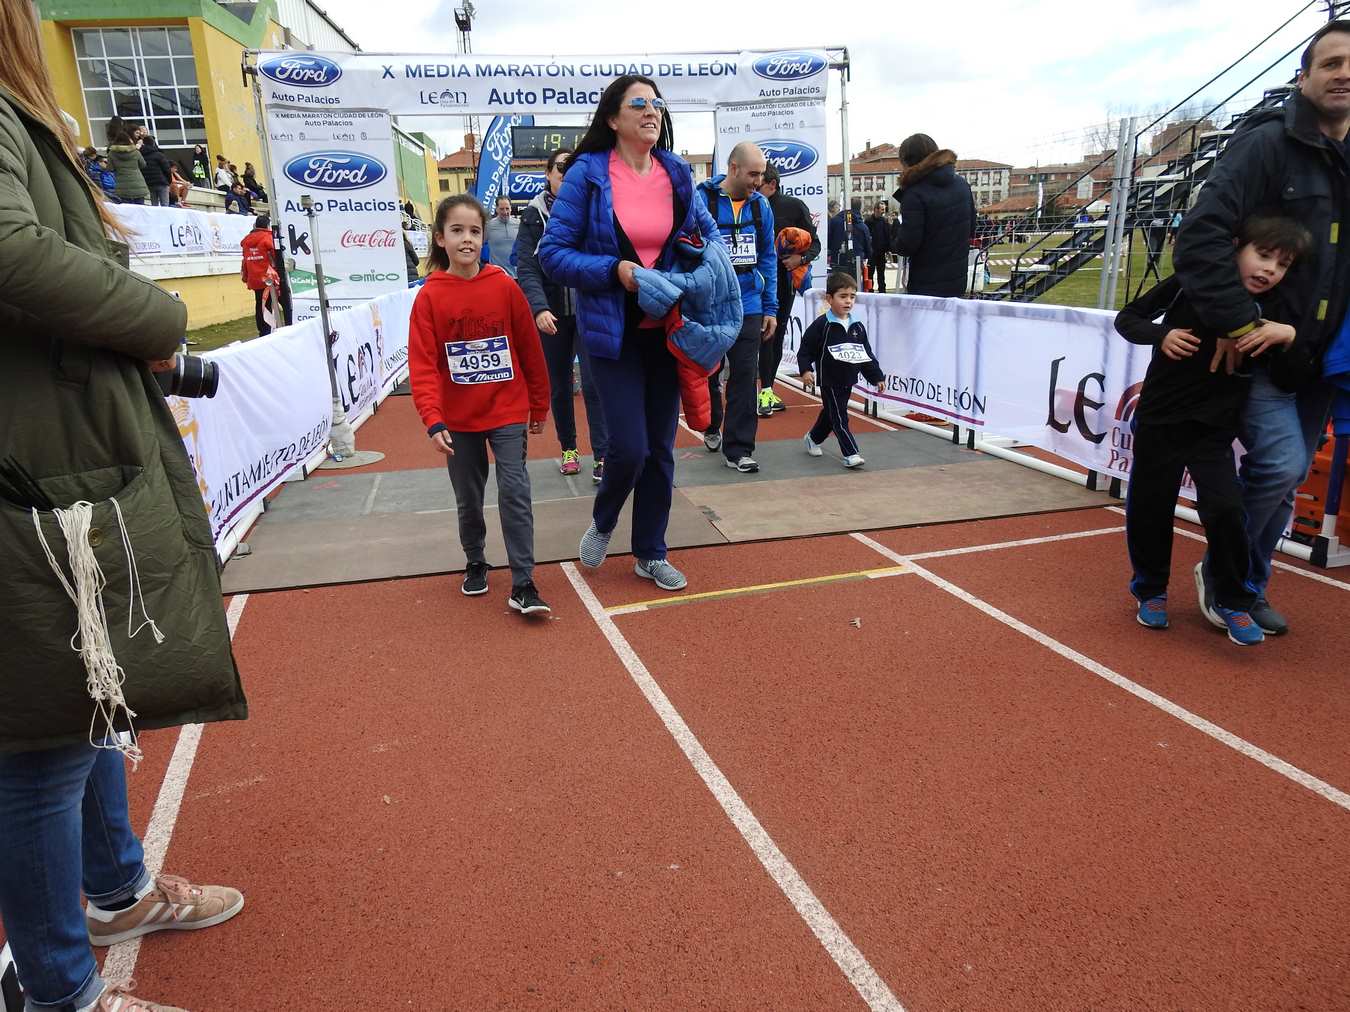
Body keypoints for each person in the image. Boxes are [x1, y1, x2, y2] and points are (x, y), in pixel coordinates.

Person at [0, 1, 248, 1007]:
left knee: (92, 695)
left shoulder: (19, 116)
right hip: (35, 471)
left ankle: (114, 889)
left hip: (54, 463)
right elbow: (10, 248)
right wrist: (156, 318)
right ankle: (62, 989)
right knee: (41, 742)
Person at [1176, 19, 1350, 636]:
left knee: (1291, 473)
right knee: (1279, 465)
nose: (1344, 74)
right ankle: (1227, 574)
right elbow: (1199, 236)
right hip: (1263, 351)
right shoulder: (1265, 145)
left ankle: (1249, 582)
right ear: (1304, 77)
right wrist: (1241, 319)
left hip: (1324, 358)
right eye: (1331, 63)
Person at [539, 74, 723, 593]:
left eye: (656, 103)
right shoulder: (588, 175)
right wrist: (614, 271)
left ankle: (650, 552)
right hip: (611, 334)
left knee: (662, 450)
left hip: (666, 331)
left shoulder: (676, 172)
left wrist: (700, 273)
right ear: (613, 118)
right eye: (638, 103)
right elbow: (552, 255)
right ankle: (603, 520)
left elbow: (706, 238)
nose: (651, 110)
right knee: (629, 449)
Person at [1117, 215, 1311, 645]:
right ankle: (1150, 591)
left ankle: (1233, 600)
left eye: (1281, 265)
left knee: (1225, 510)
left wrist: (1289, 337)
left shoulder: (1275, 310)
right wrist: (1161, 334)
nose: (1269, 270)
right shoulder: (1192, 282)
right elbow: (1127, 317)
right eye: (1262, 256)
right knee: (1151, 505)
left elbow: (1292, 374)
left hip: (1213, 427)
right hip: (1162, 416)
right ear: (1237, 248)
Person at [408, 194, 552, 615]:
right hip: (459, 419)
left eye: (474, 230)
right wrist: (433, 420)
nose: (466, 239)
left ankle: (524, 581)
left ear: (483, 236)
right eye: (457, 231)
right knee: (468, 497)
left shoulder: (504, 287)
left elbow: (529, 349)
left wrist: (539, 406)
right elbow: (423, 365)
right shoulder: (430, 297)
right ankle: (475, 559)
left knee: (515, 489)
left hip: (506, 411)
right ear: (440, 239)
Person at [515, 147, 610, 484]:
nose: (567, 174)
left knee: (596, 385)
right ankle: (569, 449)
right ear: (548, 174)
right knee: (559, 387)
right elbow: (526, 266)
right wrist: (539, 307)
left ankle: (602, 455)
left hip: (588, 313)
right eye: (560, 168)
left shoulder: (592, 209)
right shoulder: (533, 215)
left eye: (573, 168)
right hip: (551, 317)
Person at [697, 141, 777, 472]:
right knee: (708, 372)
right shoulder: (701, 200)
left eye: (761, 174)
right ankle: (712, 423)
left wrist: (770, 307)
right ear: (733, 168)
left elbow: (768, 258)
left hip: (749, 302)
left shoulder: (761, 208)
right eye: (753, 174)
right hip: (711, 304)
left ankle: (739, 449)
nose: (758, 181)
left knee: (745, 375)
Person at [797, 272, 886, 468]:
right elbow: (805, 349)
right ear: (829, 299)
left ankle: (813, 438)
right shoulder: (822, 325)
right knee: (839, 417)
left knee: (832, 414)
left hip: (848, 379)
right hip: (829, 379)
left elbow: (866, 355)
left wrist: (877, 376)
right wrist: (805, 371)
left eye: (852, 297)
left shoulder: (857, 327)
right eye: (843, 296)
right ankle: (851, 453)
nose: (848, 301)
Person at [757, 162, 819, 416]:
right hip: (753, 283)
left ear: (772, 184)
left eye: (759, 182)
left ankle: (766, 390)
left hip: (783, 283)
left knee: (775, 335)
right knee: (754, 337)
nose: (754, 186)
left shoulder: (793, 206)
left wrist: (800, 260)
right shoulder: (748, 205)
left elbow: (814, 243)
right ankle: (758, 391)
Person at [889, 133, 977, 297]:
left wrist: (894, 236)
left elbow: (907, 245)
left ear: (908, 162)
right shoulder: (962, 184)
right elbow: (972, 228)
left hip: (926, 283)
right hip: (957, 279)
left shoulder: (914, 194)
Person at [240, 214, 276, 337]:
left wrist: (245, 276)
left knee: (259, 303)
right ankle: (268, 331)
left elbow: (245, 260)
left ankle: (263, 330)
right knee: (269, 304)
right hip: (268, 278)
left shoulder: (247, 240)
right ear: (267, 225)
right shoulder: (268, 238)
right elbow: (275, 256)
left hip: (254, 278)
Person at [827, 198, 871, 276]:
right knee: (855, 285)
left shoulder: (835, 221)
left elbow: (829, 242)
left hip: (838, 261)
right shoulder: (863, 226)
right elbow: (867, 246)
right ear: (860, 208)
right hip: (856, 261)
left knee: (838, 285)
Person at [106, 125, 148, 205]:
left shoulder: (112, 153)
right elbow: (143, 164)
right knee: (140, 209)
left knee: (127, 209)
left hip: (122, 185)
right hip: (138, 183)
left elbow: (110, 168)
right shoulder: (135, 152)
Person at [485, 194, 519, 277]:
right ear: (496, 209)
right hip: (497, 275)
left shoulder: (519, 224)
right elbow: (478, 245)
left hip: (518, 275)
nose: (505, 212)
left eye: (507, 208)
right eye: (501, 209)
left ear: (511, 208)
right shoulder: (488, 226)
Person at [139, 133, 173, 207]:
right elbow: (167, 169)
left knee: (154, 205)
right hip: (162, 182)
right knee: (165, 205)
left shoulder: (141, 155)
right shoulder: (159, 155)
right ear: (153, 143)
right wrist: (169, 181)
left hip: (150, 183)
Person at [866, 201, 892, 293]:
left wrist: (888, 249)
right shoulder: (868, 221)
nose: (883, 211)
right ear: (876, 209)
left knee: (881, 274)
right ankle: (870, 291)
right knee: (870, 274)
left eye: (884, 209)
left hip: (881, 252)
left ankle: (882, 291)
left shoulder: (885, 221)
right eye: (882, 209)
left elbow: (888, 236)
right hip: (872, 252)